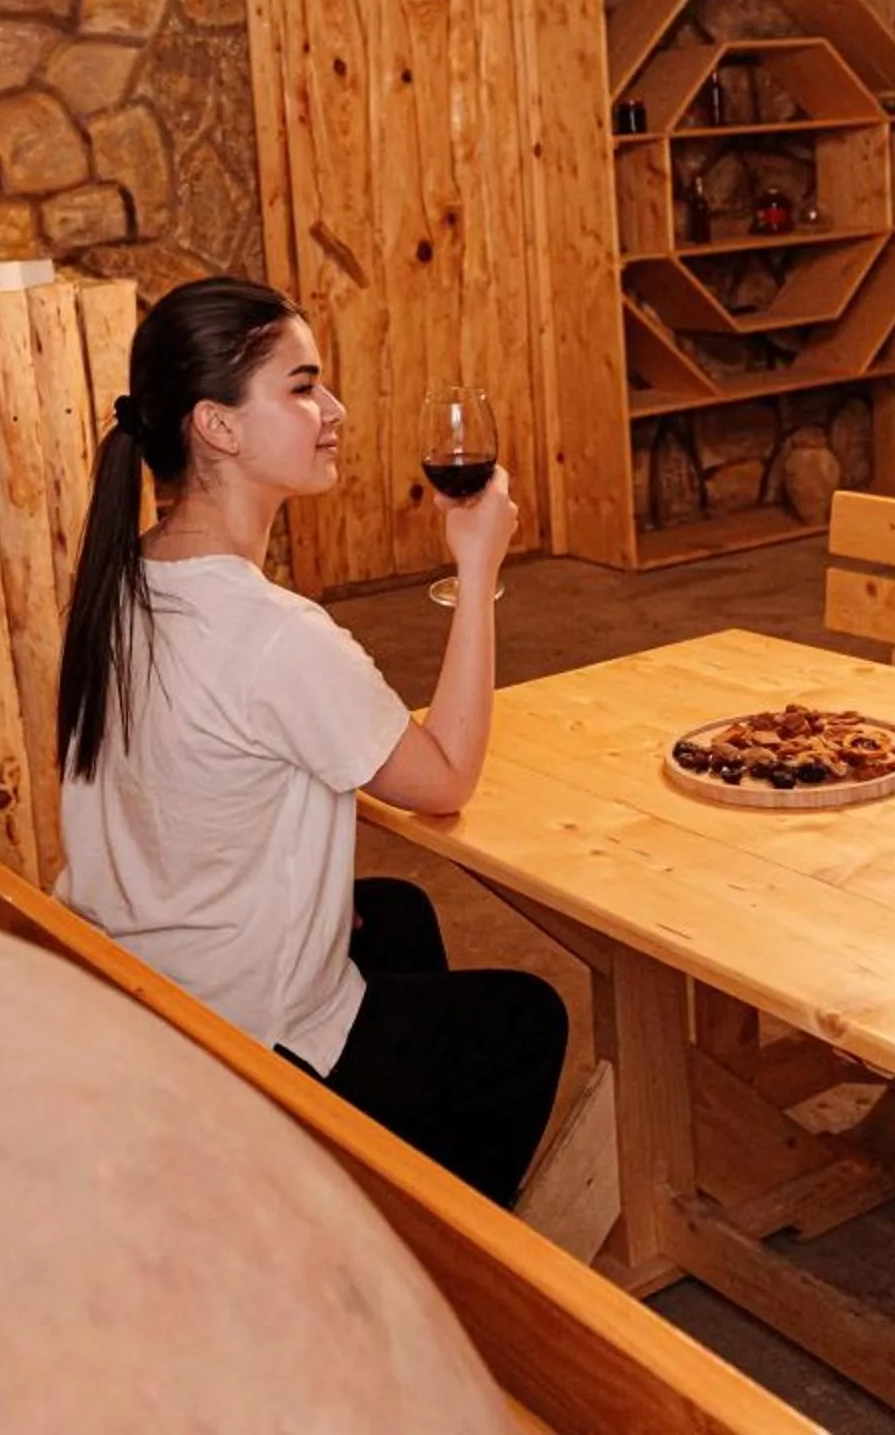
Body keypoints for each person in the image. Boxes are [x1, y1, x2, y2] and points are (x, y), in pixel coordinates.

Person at [53, 275, 567, 1206]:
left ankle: (386, 1190)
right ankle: (445, 1265)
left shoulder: (125, 583)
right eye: (301, 387)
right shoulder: (274, 636)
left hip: (143, 981)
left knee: (398, 912)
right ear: (217, 427)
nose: (331, 410)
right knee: (525, 1019)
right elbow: (445, 778)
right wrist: (479, 565)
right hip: (237, 1032)